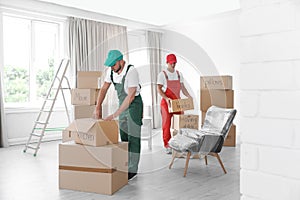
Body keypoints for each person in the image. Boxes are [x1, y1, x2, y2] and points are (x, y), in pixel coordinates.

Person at [94, 49, 143, 180]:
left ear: (121, 61)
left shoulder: (131, 71)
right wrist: (97, 107)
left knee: (134, 137)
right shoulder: (111, 72)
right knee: (124, 136)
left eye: (114, 65)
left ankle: (133, 169)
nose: (112, 68)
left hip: (134, 105)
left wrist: (115, 114)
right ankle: (125, 163)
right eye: (110, 66)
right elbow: (104, 89)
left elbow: (131, 96)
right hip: (123, 104)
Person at [157, 53, 192, 154]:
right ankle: (167, 145)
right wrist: (166, 98)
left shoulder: (178, 74)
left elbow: (183, 88)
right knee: (166, 125)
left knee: (180, 124)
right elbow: (159, 89)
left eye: (174, 63)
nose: (173, 65)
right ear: (167, 62)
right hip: (166, 103)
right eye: (171, 63)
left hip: (177, 102)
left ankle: (178, 144)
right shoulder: (162, 75)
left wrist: (188, 96)